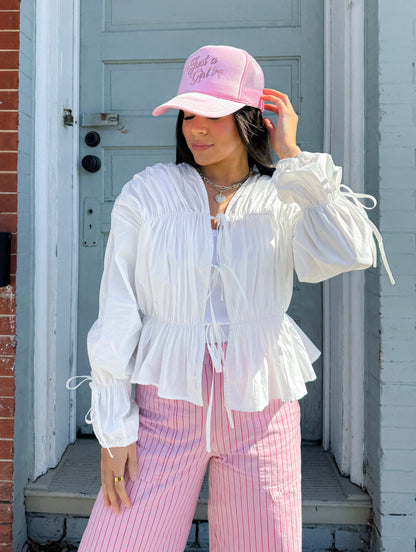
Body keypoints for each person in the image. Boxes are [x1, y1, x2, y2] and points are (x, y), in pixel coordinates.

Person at [69, 45, 394, 552]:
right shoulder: (148, 194)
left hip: (261, 407)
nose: (195, 128)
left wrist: (292, 156)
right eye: (188, 114)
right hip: (165, 407)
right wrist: (113, 429)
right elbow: (117, 310)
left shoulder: (283, 195)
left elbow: (352, 249)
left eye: (213, 115)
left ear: (251, 119)